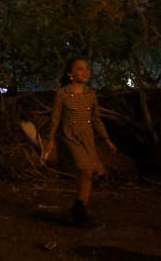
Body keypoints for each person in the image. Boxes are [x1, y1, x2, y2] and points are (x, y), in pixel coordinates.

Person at [44, 58, 117, 226]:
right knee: (84, 168)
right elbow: (55, 118)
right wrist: (50, 139)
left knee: (88, 173)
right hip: (70, 137)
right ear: (70, 74)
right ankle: (79, 209)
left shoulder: (90, 94)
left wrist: (107, 140)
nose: (85, 72)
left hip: (87, 138)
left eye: (87, 69)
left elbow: (96, 119)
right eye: (79, 69)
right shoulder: (62, 94)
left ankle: (79, 208)